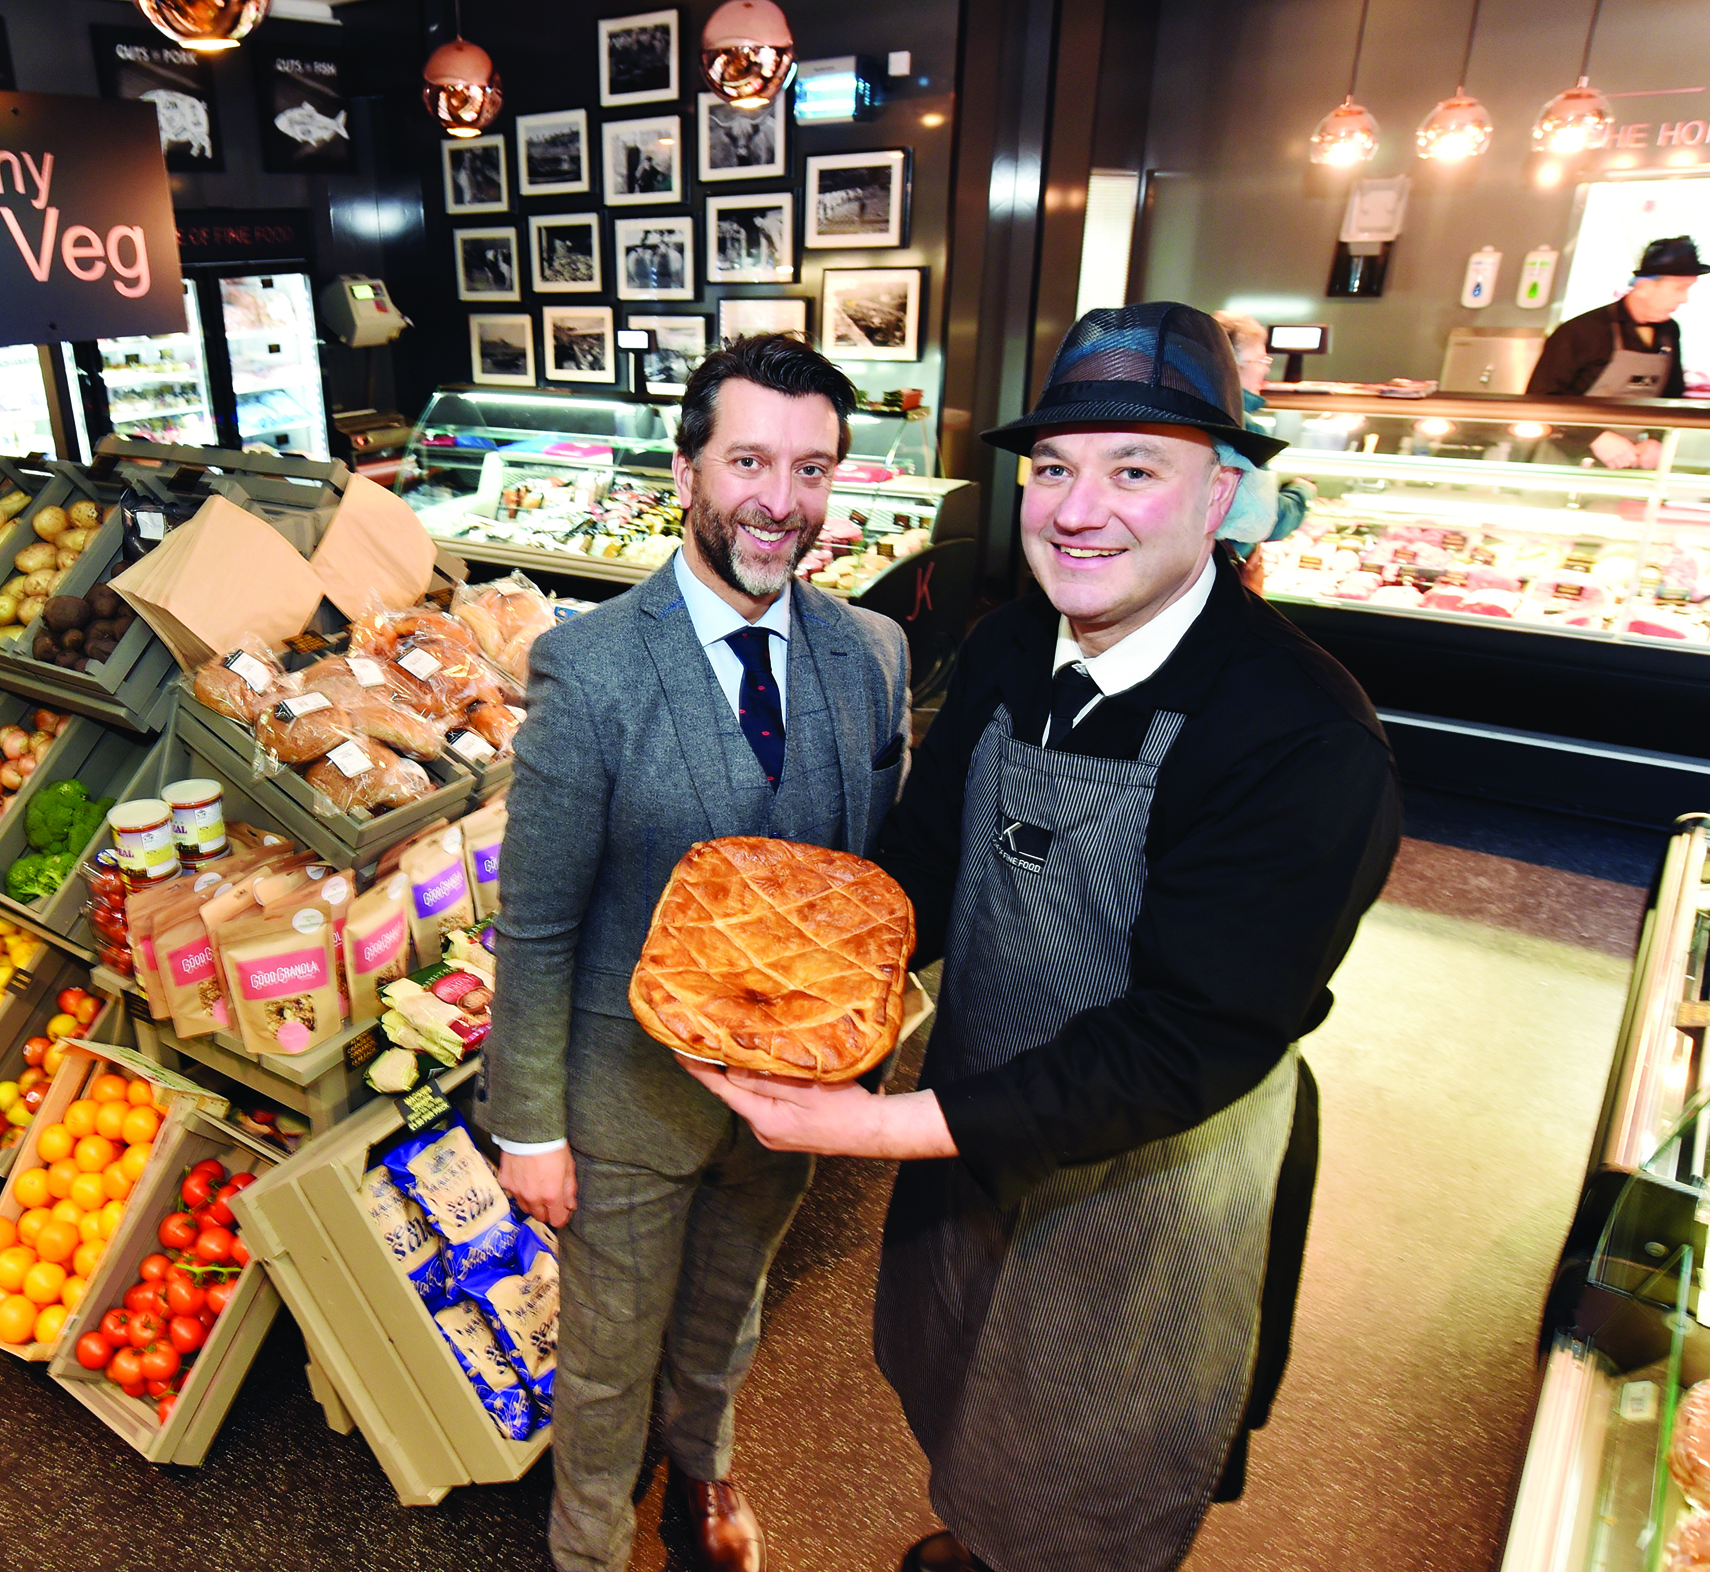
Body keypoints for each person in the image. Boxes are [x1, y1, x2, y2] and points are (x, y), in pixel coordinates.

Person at [683, 302, 1402, 1572]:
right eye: (1055, 468)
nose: (1079, 510)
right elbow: (925, 857)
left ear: (1221, 493)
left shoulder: (1297, 738)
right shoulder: (1016, 638)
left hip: (1151, 1174)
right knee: (966, 1380)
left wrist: (877, 1127)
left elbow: (1185, 1041)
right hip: (982, 1114)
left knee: (1087, 1471)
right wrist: (796, 983)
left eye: (1136, 469)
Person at [485, 334, 911, 1572]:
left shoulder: (869, 655)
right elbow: (544, 915)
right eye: (749, 461)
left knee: (729, 1313)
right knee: (608, 1352)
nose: (781, 500)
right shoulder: (596, 666)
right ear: (685, 472)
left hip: (795, 1098)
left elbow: (864, 888)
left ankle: (706, 1473)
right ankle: (589, 1547)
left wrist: (854, 1071)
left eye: (813, 468)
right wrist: (529, 1126)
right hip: (625, 1101)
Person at [1524, 235, 1710, 469]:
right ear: (1644, 286)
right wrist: (1594, 437)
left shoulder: (1669, 331)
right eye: (1679, 288)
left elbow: (1671, 395)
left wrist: (1655, 439)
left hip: (1627, 464)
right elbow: (1541, 400)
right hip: (1561, 461)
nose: (1684, 298)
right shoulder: (1582, 330)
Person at [1211, 312, 1315, 588]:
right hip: (1214, 578)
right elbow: (1263, 520)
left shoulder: (1183, 413)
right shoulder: (1243, 428)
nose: (1266, 369)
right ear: (1232, 367)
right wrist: (1301, 492)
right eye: (1261, 360)